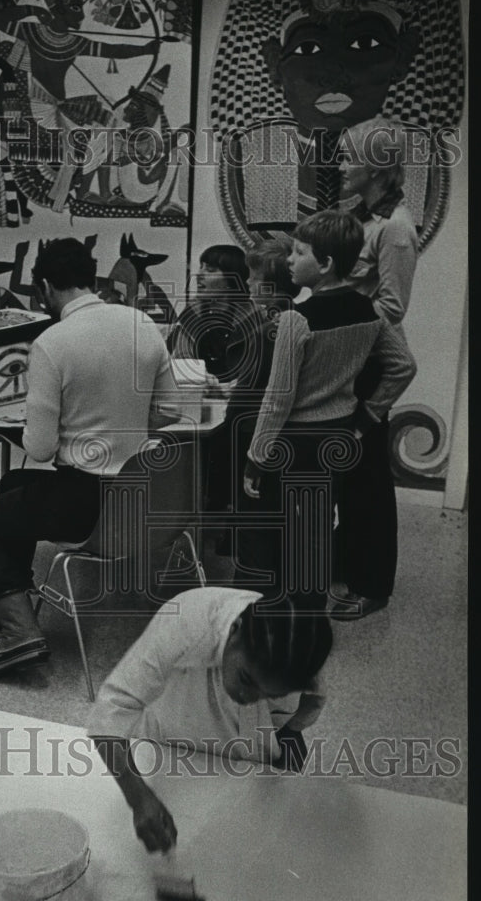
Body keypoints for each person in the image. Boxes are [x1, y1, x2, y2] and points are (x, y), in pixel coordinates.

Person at [0, 237, 180, 677]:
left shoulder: (52, 343)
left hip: (85, 505)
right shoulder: (142, 323)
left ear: (45, 286)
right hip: (141, 495)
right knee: (14, 488)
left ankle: (20, 631)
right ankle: (8, 604)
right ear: (92, 278)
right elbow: (170, 410)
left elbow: (41, 449)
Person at [243, 210, 416, 611]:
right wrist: (367, 417)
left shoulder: (296, 319)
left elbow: (277, 398)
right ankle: (311, 605)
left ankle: (289, 608)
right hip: (340, 433)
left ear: (325, 264)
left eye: (299, 252)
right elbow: (403, 366)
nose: (289, 260)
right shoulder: (370, 311)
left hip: (297, 440)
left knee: (289, 526)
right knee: (319, 522)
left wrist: (256, 456)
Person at [87, 586, 331, 852]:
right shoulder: (184, 623)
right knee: (181, 823)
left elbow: (314, 695)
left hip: (246, 742)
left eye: (269, 693)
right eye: (246, 679)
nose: (248, 696)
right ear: (235, 632)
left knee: (242, 834)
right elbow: (111, 709)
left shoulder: (298, 654)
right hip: (176, 724)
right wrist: (138, 798)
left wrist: (291, 731)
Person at [332, 116, 418, 619]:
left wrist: (339, 326)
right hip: (347, 355)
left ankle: (373, 584)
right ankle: (348, 560)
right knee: (347, 475)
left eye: (349, 157)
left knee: (367, 483)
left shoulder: (397, 227)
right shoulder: (361, 215)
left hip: (367, 361)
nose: (341, 165)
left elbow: (391, 306)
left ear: (378, 167)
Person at [205, 241, 299, 564]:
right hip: (260, 427)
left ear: (271, 286)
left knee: (252, 518)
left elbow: (257, 387)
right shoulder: (287, 319)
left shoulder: (269, 328)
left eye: (254, 277)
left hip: (251, 429)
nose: (247, 283)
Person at [167, 244, 251, 382]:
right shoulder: (193, 311)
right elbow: (183, 357)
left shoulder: (254, 316)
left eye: (210, 270)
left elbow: (256, 368)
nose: (199, 274)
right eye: (201, 267)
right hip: (201, 391)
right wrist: (201, 377)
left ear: (231, 280)